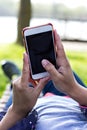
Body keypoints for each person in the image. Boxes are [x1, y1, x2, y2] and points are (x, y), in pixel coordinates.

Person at [0, 30, 87, 130]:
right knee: (54, 70)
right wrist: (74, 89)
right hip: (75, 100)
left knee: (24, 83)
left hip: (26, 111)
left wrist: (16, 112)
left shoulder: (19, 112)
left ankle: (15, 76)